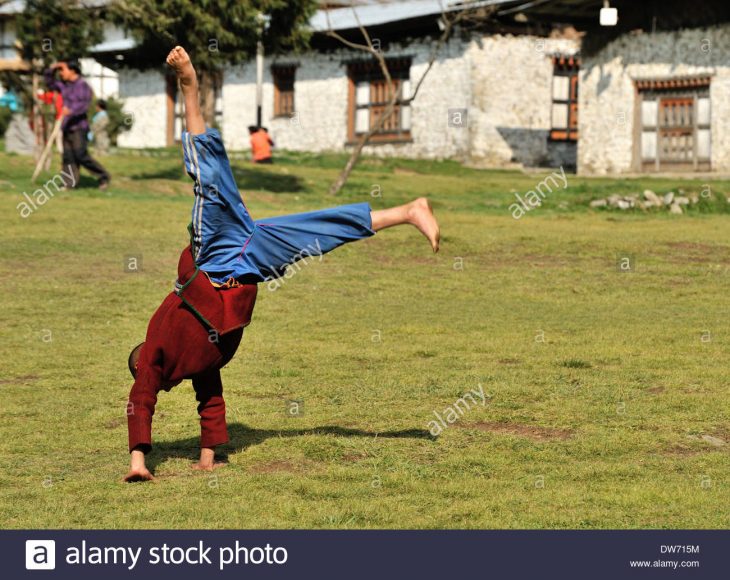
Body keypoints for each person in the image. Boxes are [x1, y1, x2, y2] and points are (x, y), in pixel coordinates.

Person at [123, 47, 440, 482]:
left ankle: (189, 85)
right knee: (312, 236)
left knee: (208, 179)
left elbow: (140, 402)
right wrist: (207, 459)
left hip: (213, 257)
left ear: (143, 364)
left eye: (141, 367)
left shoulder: (155, 349)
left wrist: (139, 463)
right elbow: (211, 403)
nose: (144, 371)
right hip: (245, 264)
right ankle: (406, 212)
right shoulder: (199, 366)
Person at [44, 60, 110, 189]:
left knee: (81, 155)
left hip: (79, 127)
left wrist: (71, 111)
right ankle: (69, 184)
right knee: (68, 157)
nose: (61, 73)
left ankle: (103, 176)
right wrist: (52, 67)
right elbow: (49, 83)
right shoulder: (64, 85)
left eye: (63, 70)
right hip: (66, 126)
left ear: (72, 71)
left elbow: (84, 105)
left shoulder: (83, 85)